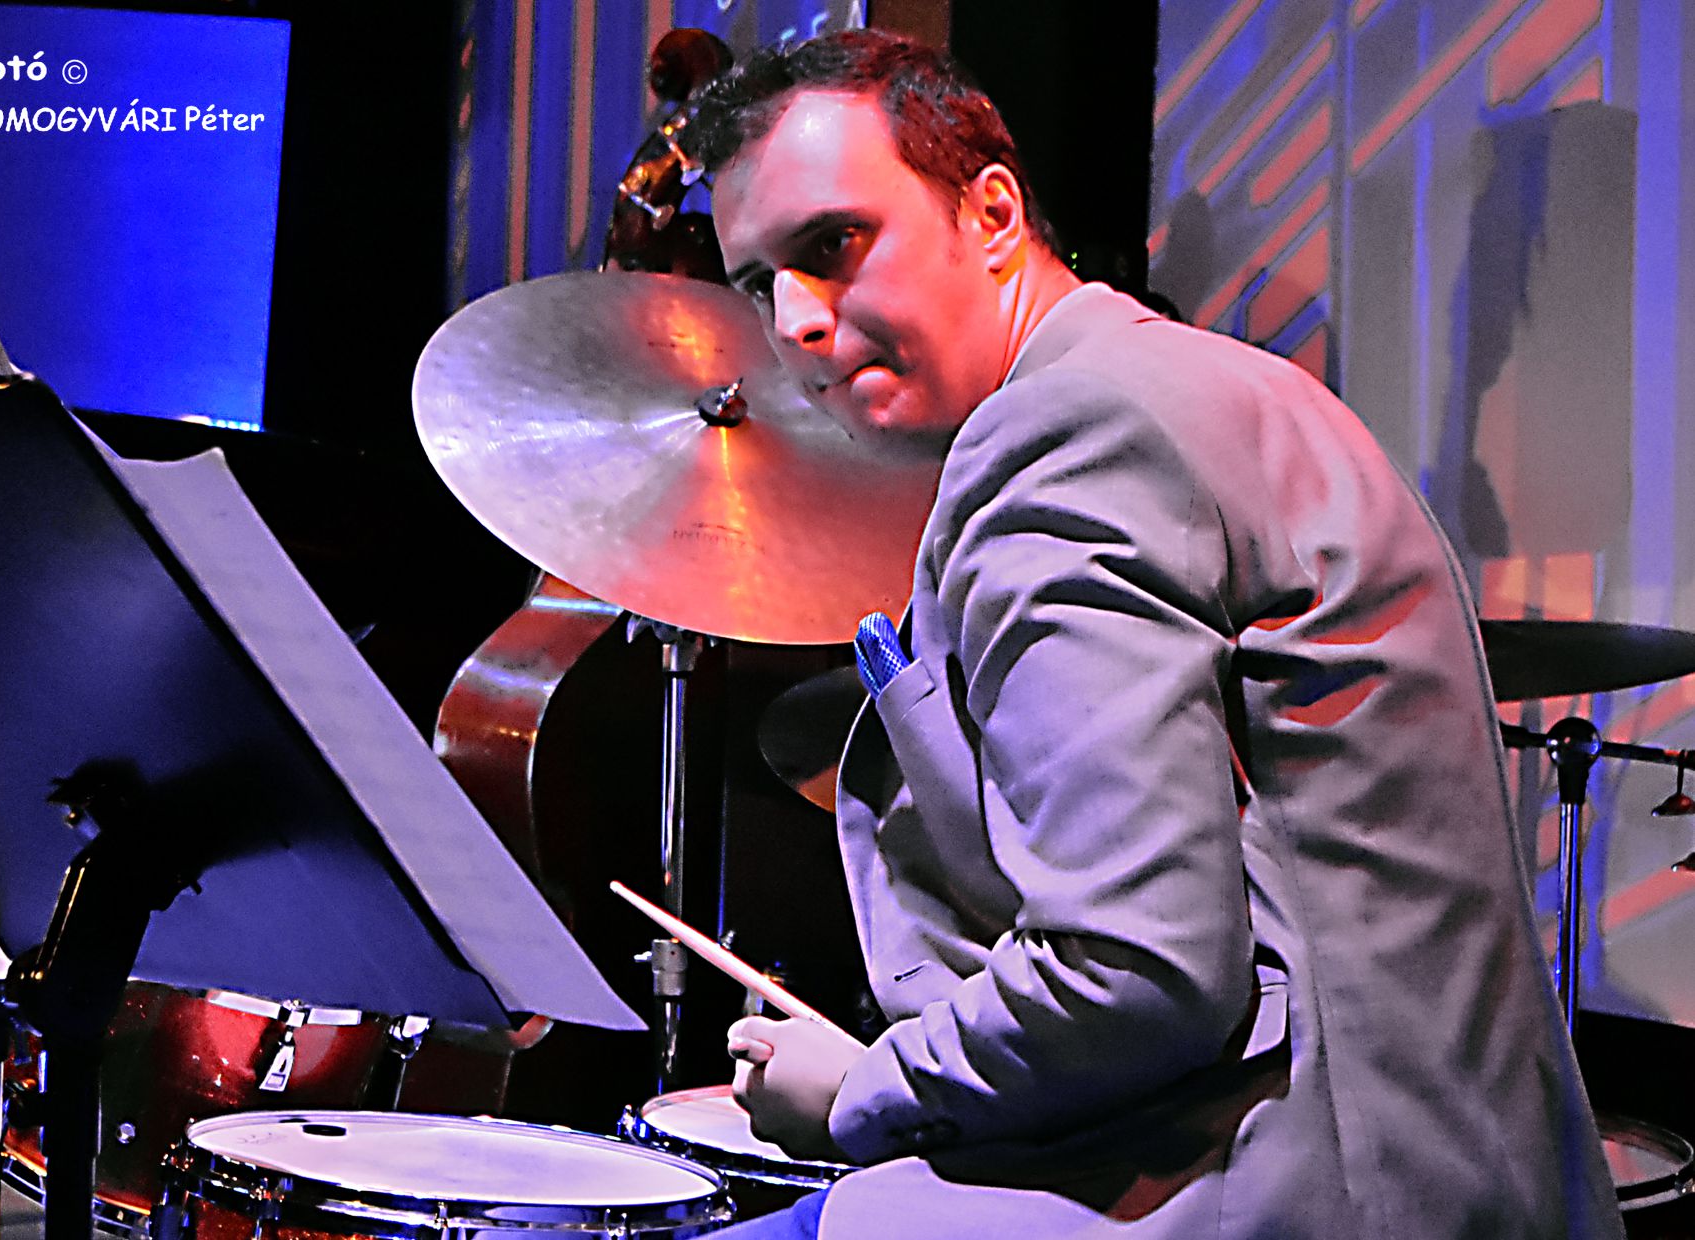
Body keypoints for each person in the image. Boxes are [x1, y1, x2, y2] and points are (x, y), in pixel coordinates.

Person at [682, 29, 1622, 1239]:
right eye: (758, 283)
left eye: (831, 246)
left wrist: (864, 1088)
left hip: (1298, 1187)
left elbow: (1135, 970)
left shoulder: (1064, 438)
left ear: (991, 213)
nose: (796, 320)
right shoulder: (1208, 383)